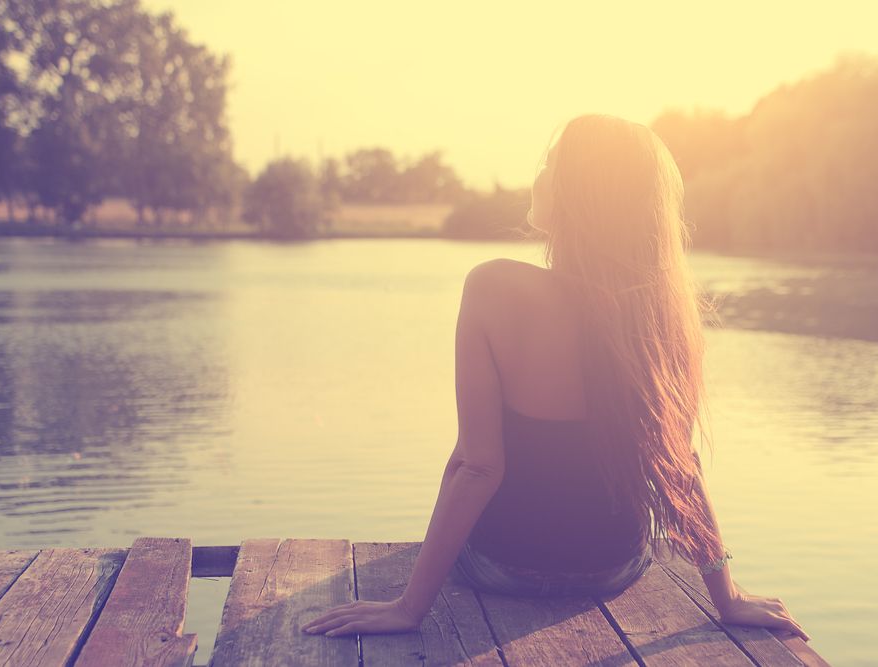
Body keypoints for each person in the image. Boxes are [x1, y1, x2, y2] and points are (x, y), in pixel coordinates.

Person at [302, 113, 810, 642]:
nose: (538, 175)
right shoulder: (660, 311)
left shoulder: (493, 287)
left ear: (577, 193)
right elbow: (681, 467)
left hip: (502, 565)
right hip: (613, 568)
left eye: (550, 165)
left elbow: (477, 466)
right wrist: (727, 597)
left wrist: (408, 608)